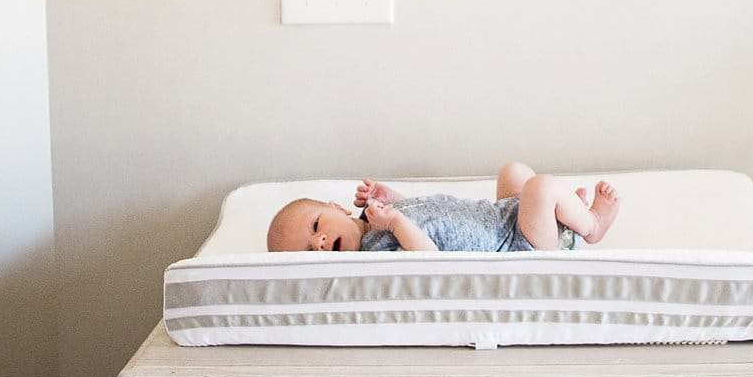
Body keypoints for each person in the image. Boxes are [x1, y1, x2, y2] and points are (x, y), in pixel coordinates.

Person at [265, 161, 621, 254]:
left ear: (335, 208)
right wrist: (393, 223)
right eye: (312, 251)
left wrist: (391, 198)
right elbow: (427, 252)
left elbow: (426, 211)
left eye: (315, 228)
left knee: (513, 172)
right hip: (516, 244)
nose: (322, 241)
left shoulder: (372, 217)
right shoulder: (376, 247)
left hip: (501, 216)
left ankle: (564, 213)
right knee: (539, 187)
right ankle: (590, 225)